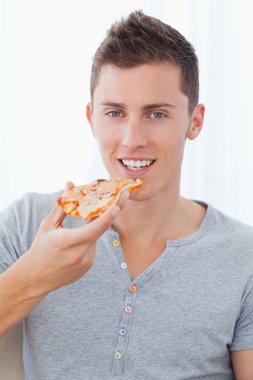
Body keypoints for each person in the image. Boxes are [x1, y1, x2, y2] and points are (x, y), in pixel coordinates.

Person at [0, 10, 253, 380]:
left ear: (194, 122)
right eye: (116, 112)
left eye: (156, 114)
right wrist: (34, 276)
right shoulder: (29, 224)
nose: (132, 139)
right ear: (91, 119)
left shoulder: (243, 256)